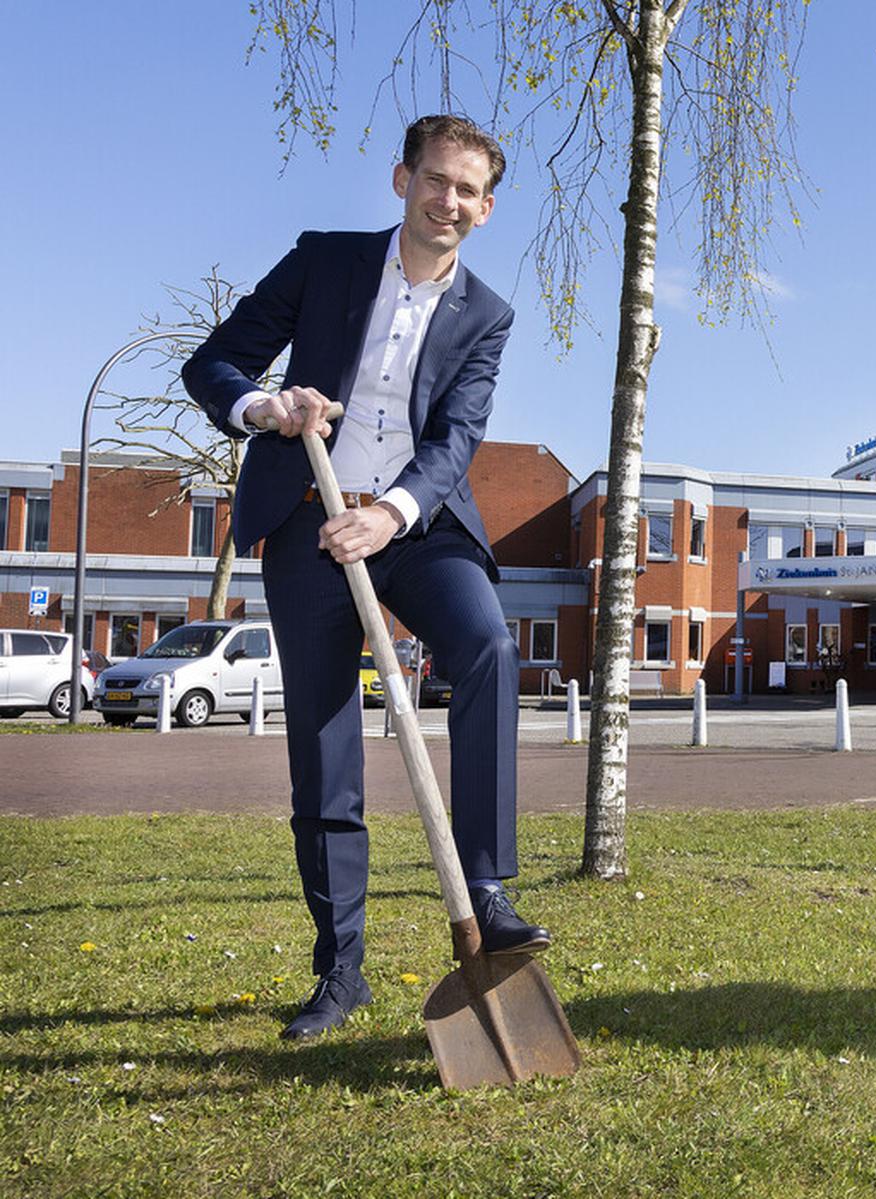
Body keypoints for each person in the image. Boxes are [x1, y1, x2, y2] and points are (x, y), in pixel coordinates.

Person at [183, 114, 550, 1042]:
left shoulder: (488, 316)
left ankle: (488, 891)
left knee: (487, 646)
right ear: (402, 180)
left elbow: (456, 437)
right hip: (308, 514)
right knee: (324, 743)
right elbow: (213, 362)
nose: (450, 201)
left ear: (487, 207)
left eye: (468, 190)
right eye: (437, 181)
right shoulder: (326, 260)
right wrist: (267, 404)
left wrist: (387, 513)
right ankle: (340, 968)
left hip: (415, 524)